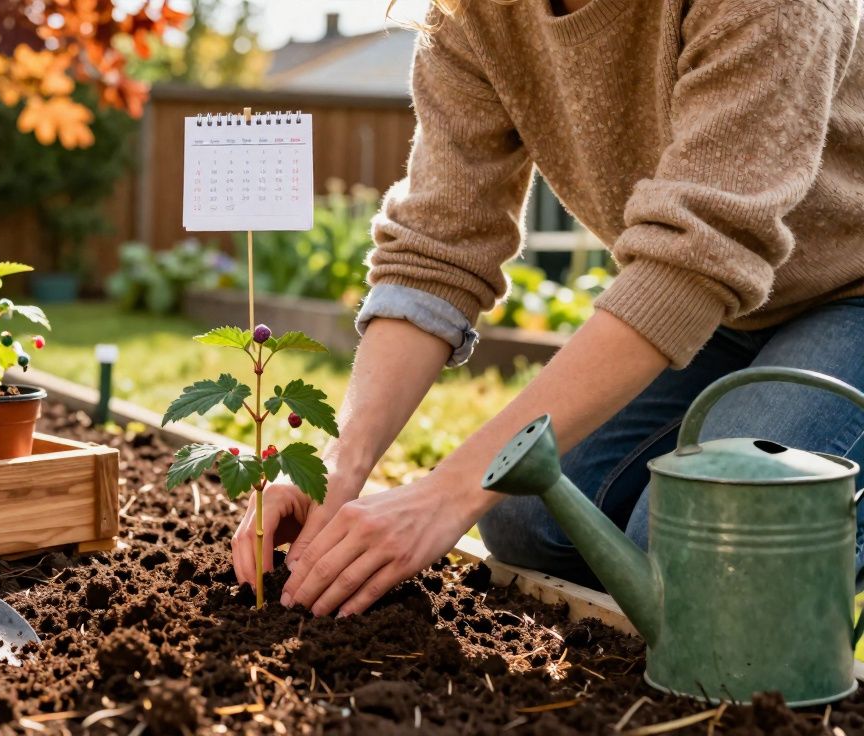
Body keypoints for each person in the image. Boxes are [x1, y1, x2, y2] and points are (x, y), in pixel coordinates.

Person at [233, 0, 864, 617]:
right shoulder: (473, 15)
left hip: (851, 295)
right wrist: (335, 467)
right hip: (727, 314)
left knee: (699, 545)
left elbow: (696, 256)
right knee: (529, 515)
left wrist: (446, 494)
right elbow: (438, 245)